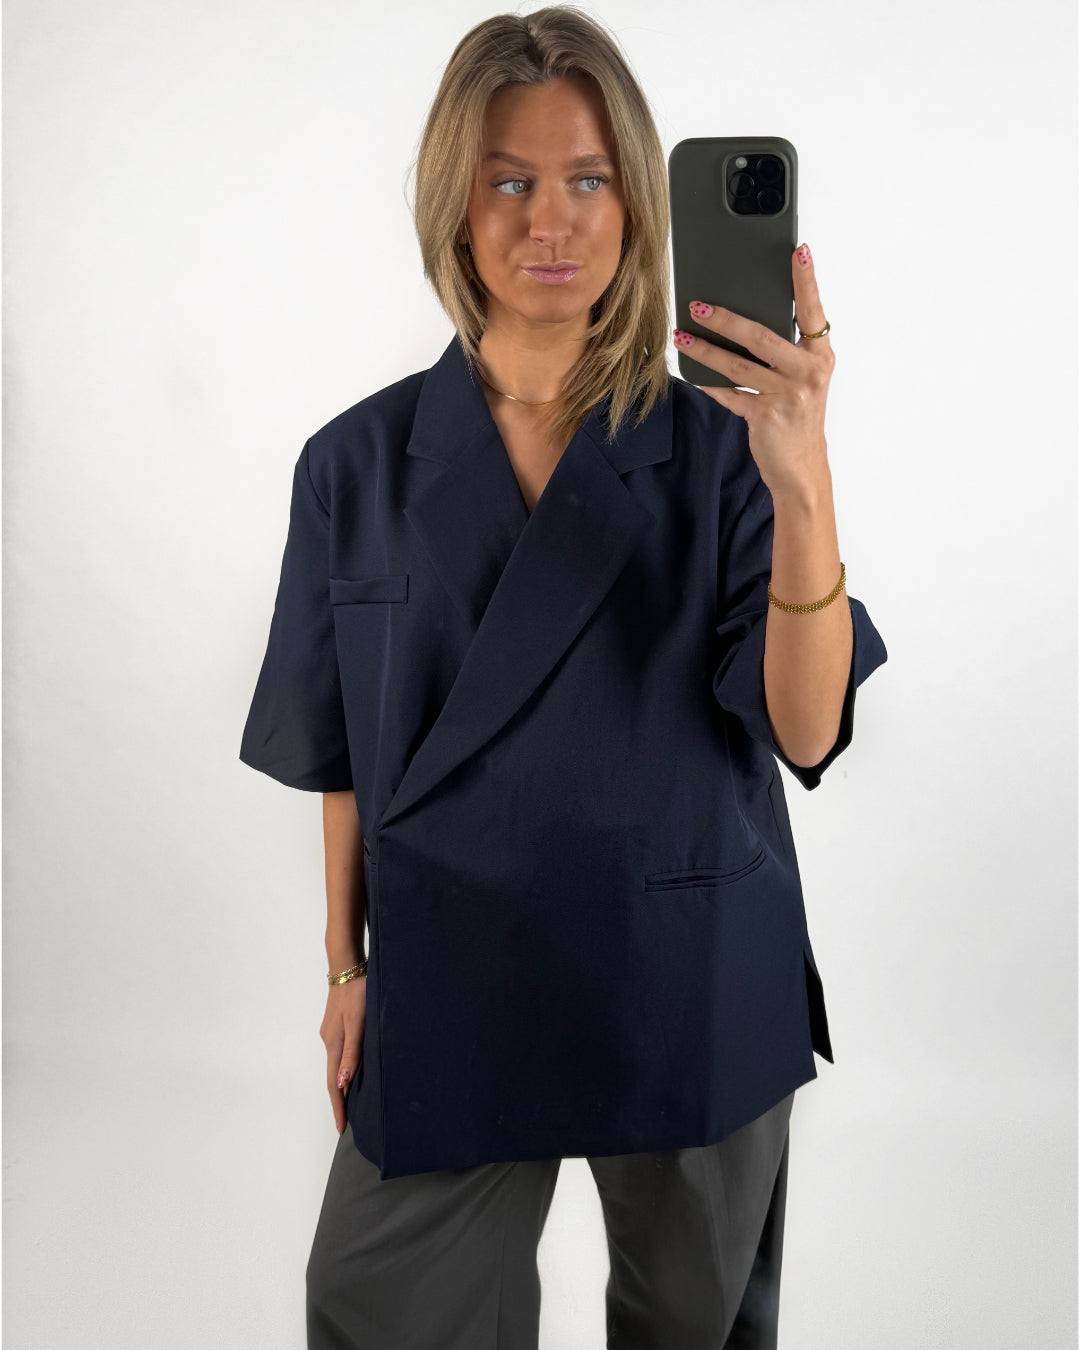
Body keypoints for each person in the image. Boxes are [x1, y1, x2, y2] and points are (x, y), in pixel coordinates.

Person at [238, 7, 888, 1348]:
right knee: (373, 1305)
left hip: (688, 967)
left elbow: (806, 728)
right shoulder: (352, 465)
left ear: (637, 201)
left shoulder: (722, 451)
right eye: (510, 181)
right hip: (454, 973)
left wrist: (804, 477)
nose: (552, 220)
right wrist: (346, 966)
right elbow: (344, 746)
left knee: (693, 1323)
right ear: (455, 204)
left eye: (589, 179)